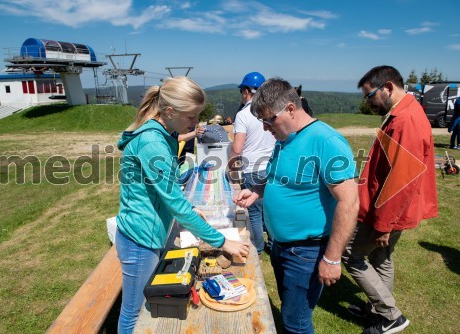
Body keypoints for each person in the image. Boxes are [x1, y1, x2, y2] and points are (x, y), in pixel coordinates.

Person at [115, 76, 250, 333]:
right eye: (191, 117)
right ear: (169, 111)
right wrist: (223, 242)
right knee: (134, 313)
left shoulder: (164, 134)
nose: (196, 123)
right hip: (139, 239)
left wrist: (186, 206)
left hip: (150, 232)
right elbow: (174, 202)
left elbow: (166, 184)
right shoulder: (152, 142)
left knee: (147, 306)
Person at [234, 78, 359, 334]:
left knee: (297, 322)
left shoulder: (325, 141)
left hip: (306, 251)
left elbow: (349, 201)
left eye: (270, 120)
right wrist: (256, 192)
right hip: (281, 246)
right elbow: (281, 181)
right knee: (292, 310)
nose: (267, 128)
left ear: (291, 109)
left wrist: (332, 259)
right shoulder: (285, 138)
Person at [342, 66, 438, 334]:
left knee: (351, 255)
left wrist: (384, 224)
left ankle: (391, 316)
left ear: (387, 87)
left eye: (369, 95)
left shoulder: (406, 120)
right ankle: (378, 311)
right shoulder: (402, 113)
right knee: (381, 257)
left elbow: (402, 181)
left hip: (388, 210)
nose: (368, 102)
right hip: (385, 207)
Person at [230, 71, 276, 255]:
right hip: (271, 166)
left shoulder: (243, 115)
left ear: (247, 91)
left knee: (255, 213)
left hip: (252, 168)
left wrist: (231, 168)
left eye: (242, 91)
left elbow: (238, 148)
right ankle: (274, 244)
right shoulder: (271, 111)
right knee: (270, 210)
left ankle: (258, 248)